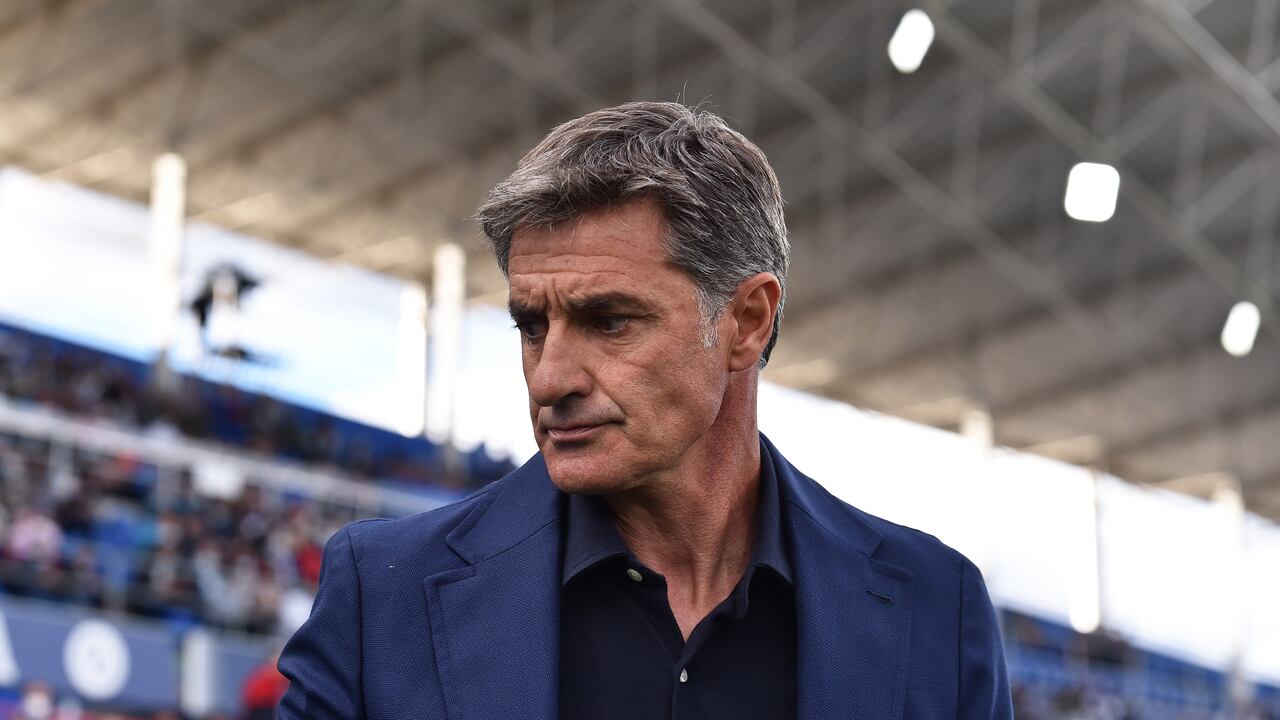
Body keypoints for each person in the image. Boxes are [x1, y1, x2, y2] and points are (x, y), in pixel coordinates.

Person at [277, 101, 1013, 719]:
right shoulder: (383, 596)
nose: (549, 377)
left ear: (747, 321)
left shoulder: (936, 610)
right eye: (531, 325)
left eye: (609, 321)